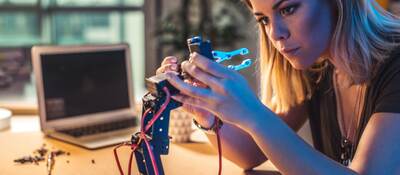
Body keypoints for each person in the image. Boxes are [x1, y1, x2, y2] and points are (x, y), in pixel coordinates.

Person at [156, 0, 400, 174]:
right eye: (263, 20)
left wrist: (252, 113)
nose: (275, 34)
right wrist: (205, 114)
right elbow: (250, 153)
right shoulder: (317, 67)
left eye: (288, 9)